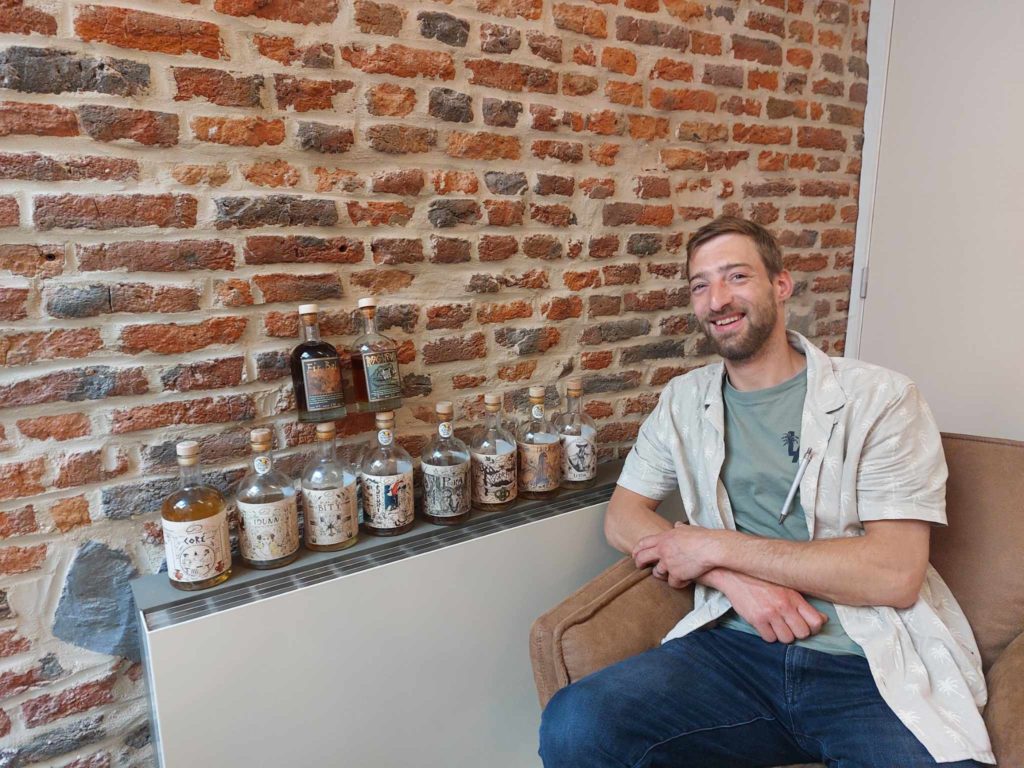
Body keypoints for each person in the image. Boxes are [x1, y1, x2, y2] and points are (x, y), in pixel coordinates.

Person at [539, 217, 994, 767]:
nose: (717, 299)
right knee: (576, 724)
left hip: (864, 663)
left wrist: (715, 547)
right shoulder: (684, 400)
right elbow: (623, 516)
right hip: (733, 651)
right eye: (700, 284)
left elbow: (894, 574)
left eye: (736, 276)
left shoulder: (881, 399)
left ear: (781, 284)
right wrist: (732, 582)